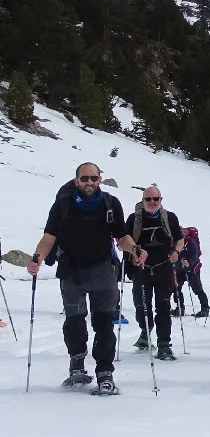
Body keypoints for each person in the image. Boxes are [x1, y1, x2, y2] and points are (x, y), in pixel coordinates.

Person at [27, 163, 145, 395]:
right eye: (84, 178)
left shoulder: (111, 203)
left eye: (93, 178)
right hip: (71, 270)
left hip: (102, 269)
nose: (89, 182)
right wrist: (37, 258)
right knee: (74, 322)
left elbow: (121, 236)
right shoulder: (63, 204)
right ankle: (77, 366)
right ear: (76, 180)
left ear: (100, 179)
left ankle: (105, 373)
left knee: (104, 324)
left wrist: (135, 250)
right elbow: (49, 236)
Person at [124, 186, 184, 360]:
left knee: (163, 307)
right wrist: (129, 260)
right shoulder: (133, 219)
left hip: (163, 268)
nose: (152, 202)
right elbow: (124, 240)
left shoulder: (169, 218)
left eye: (155, 199)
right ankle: (145, 331)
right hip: (140, 269)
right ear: (143, 200)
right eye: (148, 199)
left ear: (161, 199)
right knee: (141, 306)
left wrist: (176, 252)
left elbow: (180, 238)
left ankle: (164, 344)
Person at [174, 226, 209, 318]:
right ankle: (180, 308)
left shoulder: (190, 241)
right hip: (179, 269)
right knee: (176, 288)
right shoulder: (174, 242)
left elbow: (195, 254)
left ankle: (204, 309)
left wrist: (188, 263)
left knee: (197, 289)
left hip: (192, 269)